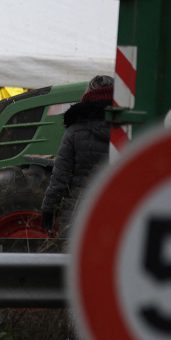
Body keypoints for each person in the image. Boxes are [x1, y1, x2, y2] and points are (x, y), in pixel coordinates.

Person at [40, 74, 114, 237]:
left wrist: (48, 209)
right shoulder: (125, 131)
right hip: (113, 215)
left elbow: (60, 179)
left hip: (77, 215)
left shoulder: (74, 132)